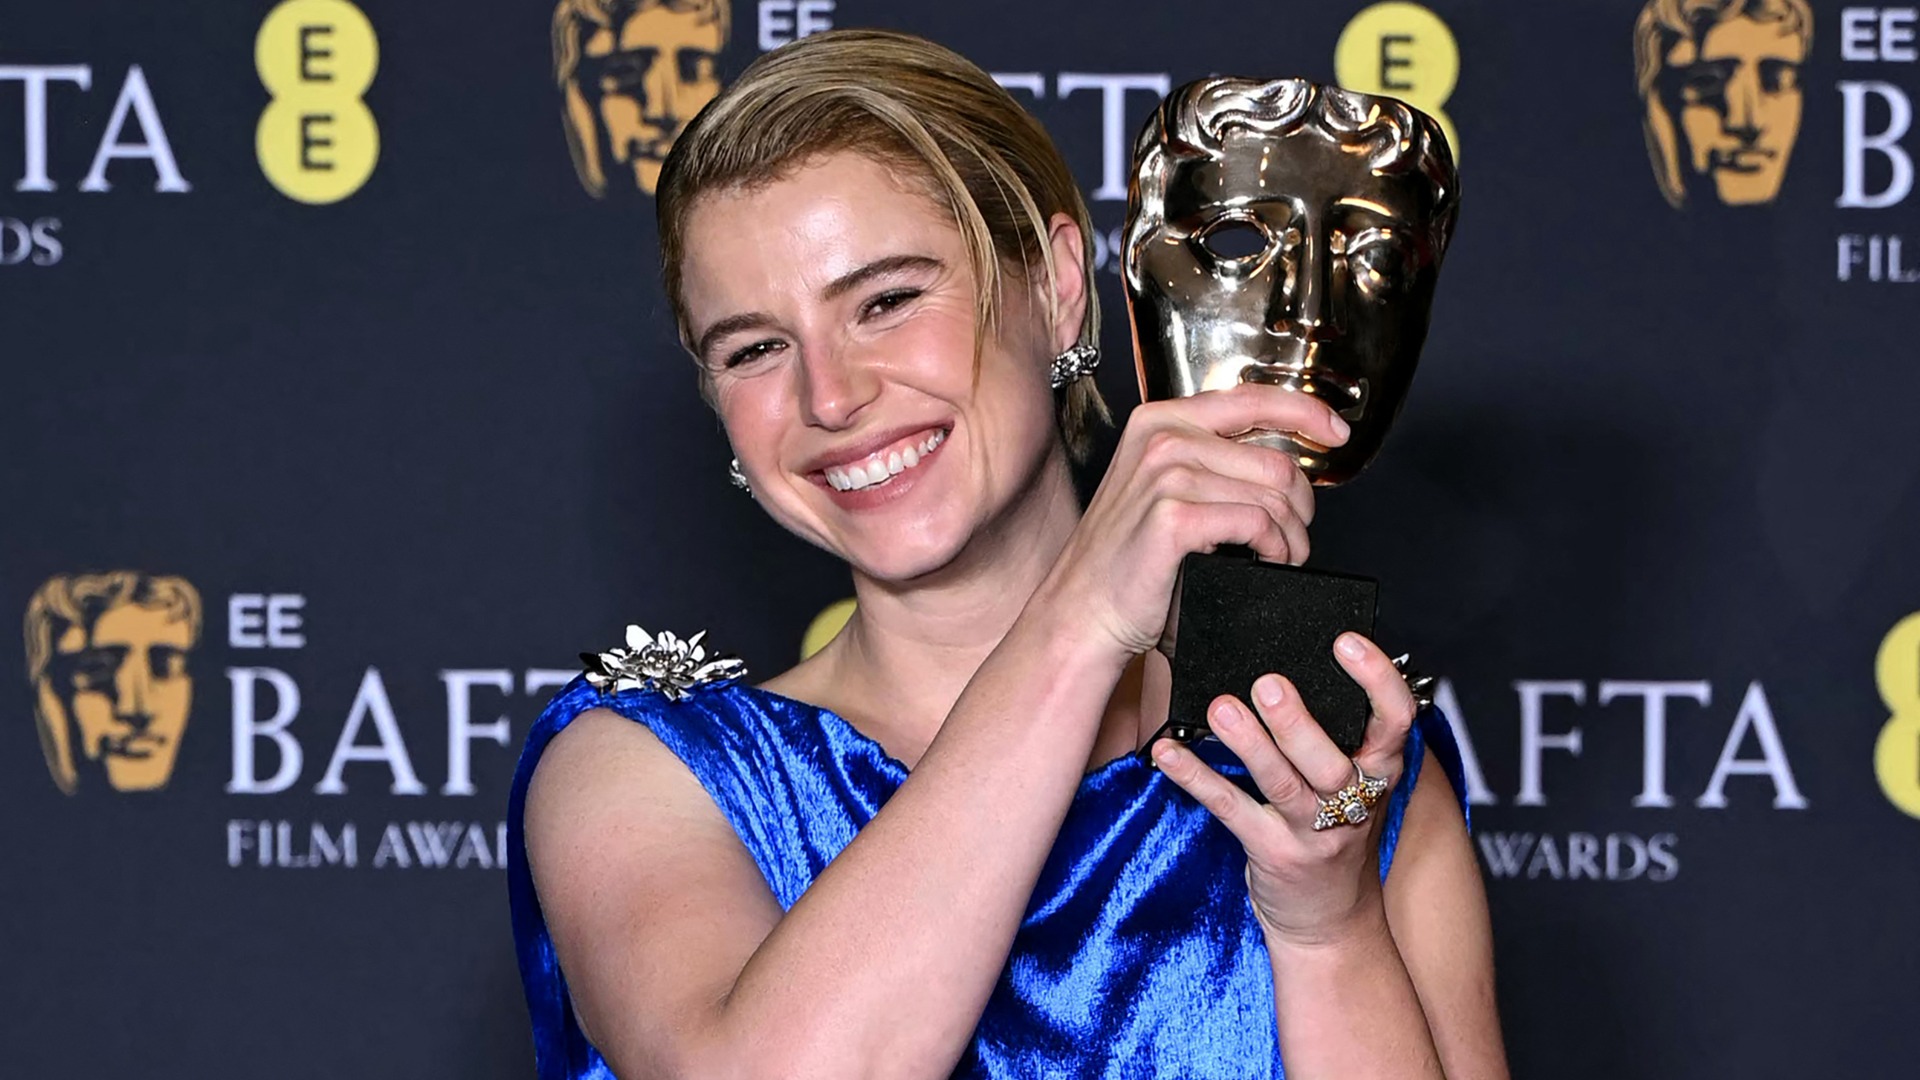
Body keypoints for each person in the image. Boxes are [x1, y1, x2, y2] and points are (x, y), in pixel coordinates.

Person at [509, 28, 1506, 1079]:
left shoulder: (1325, 762)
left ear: (1061, 287)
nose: (830, 397)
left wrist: (1327, 930)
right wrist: (1083, 616)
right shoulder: (644, 774)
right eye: (756, 349)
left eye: (888, 301)